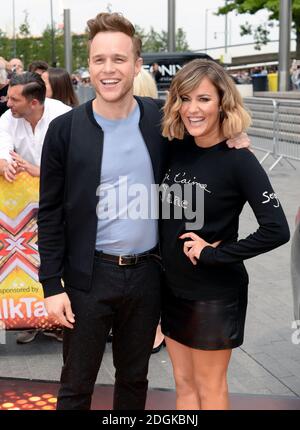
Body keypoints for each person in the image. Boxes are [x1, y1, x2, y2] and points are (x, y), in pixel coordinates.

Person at [37, 12, 250, 411]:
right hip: (88, 278)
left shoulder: (161, 120)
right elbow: (49, 213)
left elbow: (207, 141)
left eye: (119, 59)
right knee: (75, 386)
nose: (108, 68)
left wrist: (233, 135)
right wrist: (51, 285)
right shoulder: (65, 130)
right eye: (99, 59)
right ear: (89, 66)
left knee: (135, 381)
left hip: (149, 275)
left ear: (136, 66)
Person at [160, 59, 290, 410]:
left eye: (203, 99)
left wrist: (215, 255)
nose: (192, 109)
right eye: (184, 99)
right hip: (172, 289)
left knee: (209, 388)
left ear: (222, 103)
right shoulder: (176, 149)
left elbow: (277, 229)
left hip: (213, 295)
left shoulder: (239, 159)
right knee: (183, 386)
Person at [0, 72, 71, 342]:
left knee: (61, 260)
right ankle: (32, 318)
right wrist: (7, 165)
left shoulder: (65, 117)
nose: (7, 103)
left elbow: (77, 168)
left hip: (63, 204)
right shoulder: (8, 120)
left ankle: (61, 320)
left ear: (34, 103)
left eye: (14, 99)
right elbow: (2, 155)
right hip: (24, 212)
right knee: (30, 262)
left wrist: (38, 171)